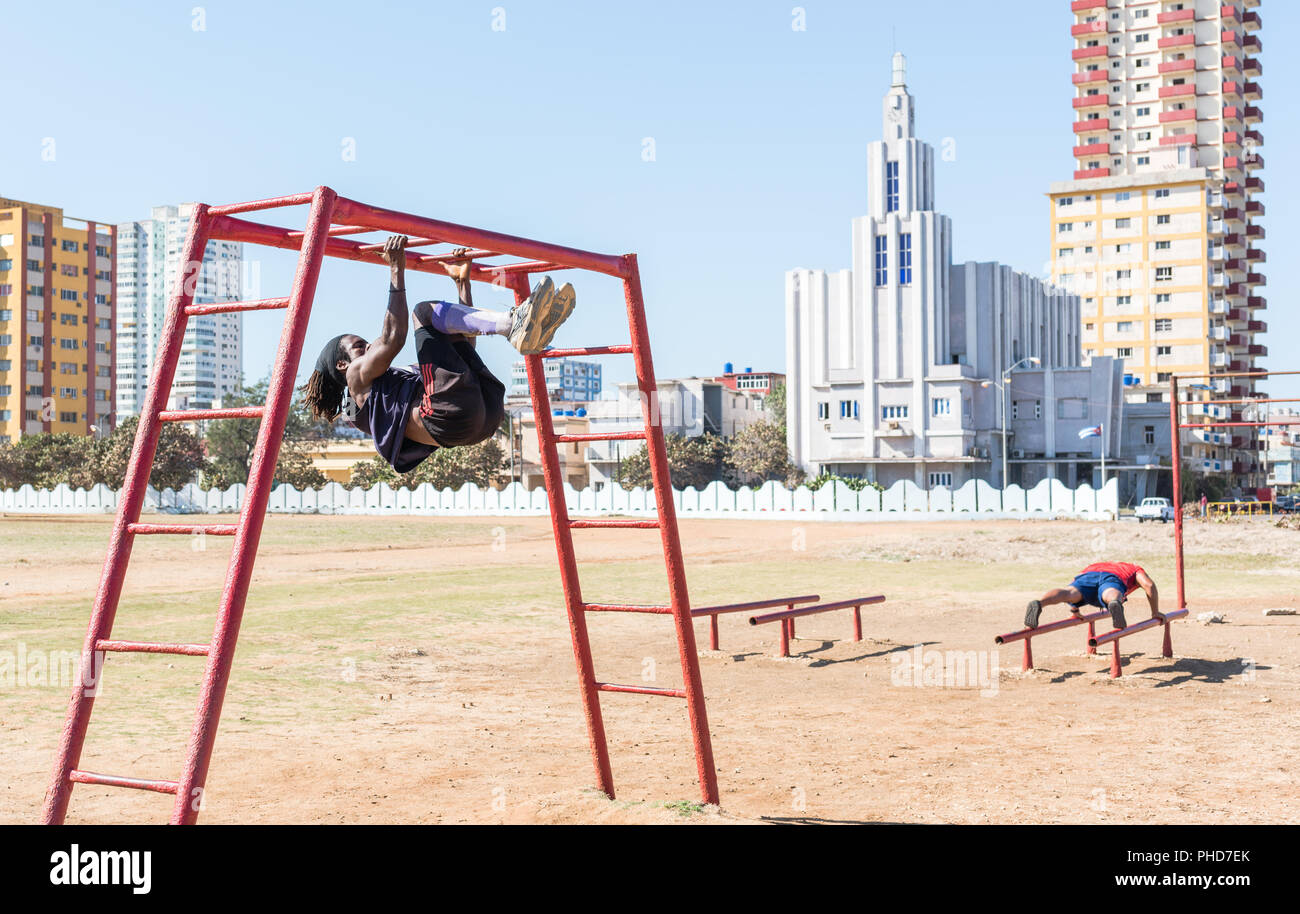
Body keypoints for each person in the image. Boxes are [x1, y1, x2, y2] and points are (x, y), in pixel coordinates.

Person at [299, 235, 575, 474]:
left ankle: (523, 326)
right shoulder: (355, 381)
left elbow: (465, 347)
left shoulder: (394, 384)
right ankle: (515, 324)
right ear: (342, 364)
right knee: (423, 312)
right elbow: (393, 338)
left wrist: (462, 284)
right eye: (359, 346)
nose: (369, 346)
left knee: (446, 334)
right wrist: (396, 268)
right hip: (444, 417)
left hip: (478, 419)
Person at [1023, 561, 1161, 631]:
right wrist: (1155, 612)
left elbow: (1073, 585)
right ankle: (1114, 602)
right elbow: (1148, 585)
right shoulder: (1134, 569)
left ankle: (1039, 603)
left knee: (1070, 593)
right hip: (1113, 578)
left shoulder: (1095, 565)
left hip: (1088, 575)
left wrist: (1075, 610)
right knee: (1110, 592)